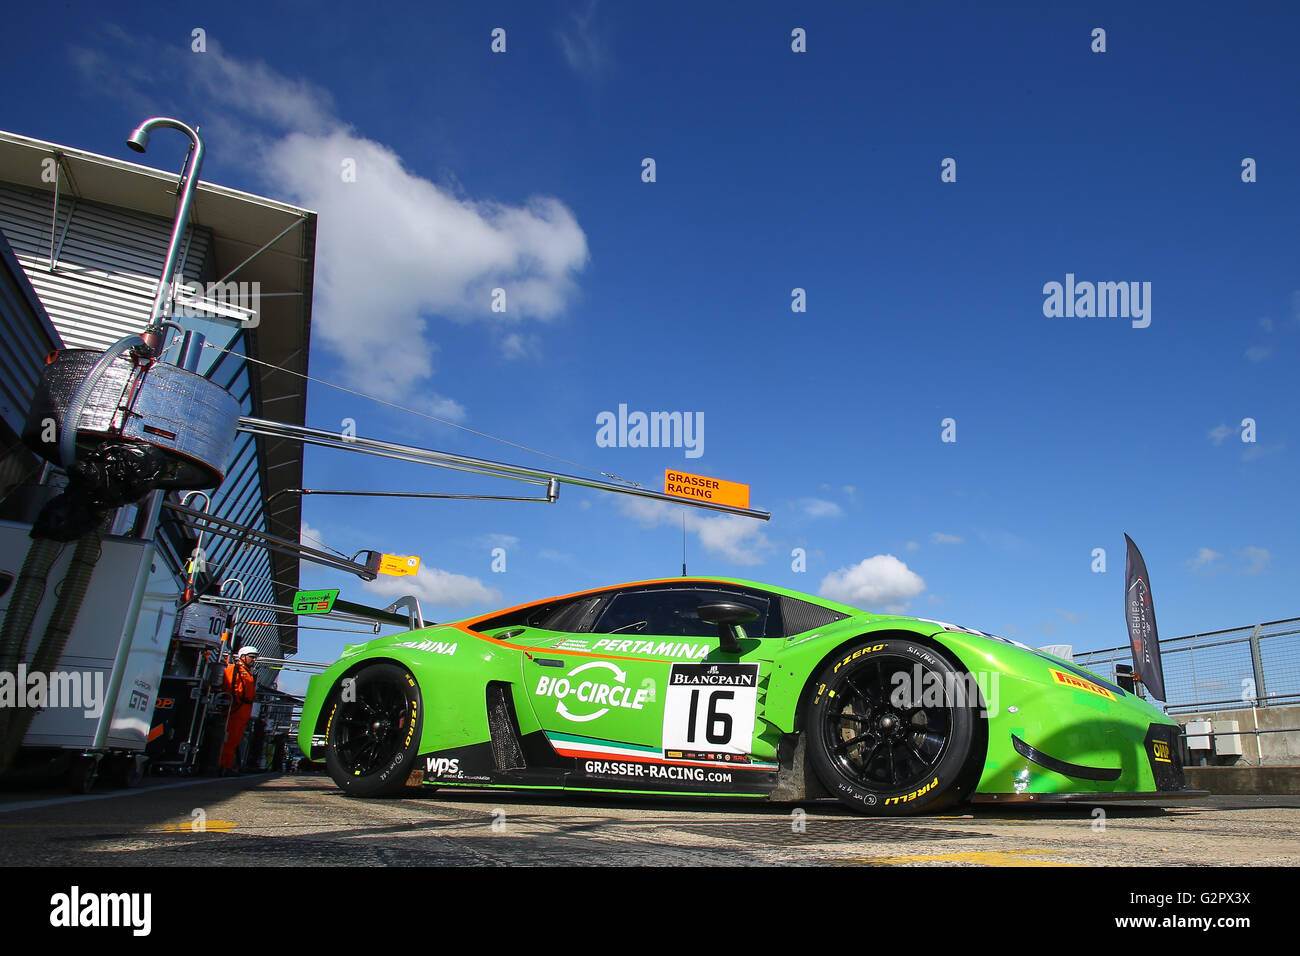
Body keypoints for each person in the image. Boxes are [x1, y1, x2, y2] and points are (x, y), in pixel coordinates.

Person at [220, 646, 259, 774]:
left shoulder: (248, 673)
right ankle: (222, 765)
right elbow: (229, 687)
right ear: (243, 656)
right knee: (229, 738)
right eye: (251, 657)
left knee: (235, 739)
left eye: (255, 657)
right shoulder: (234, 669)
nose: (254, 660)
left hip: (244, 710)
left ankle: (228, 764)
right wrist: (233, 705)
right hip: (236, 709)